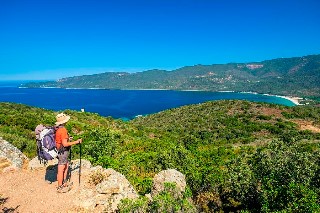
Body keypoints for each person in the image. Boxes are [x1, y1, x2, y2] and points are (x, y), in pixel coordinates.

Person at [55, 113, 82, 193]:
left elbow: (61, 140)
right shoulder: (63, 130)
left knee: (66, 165)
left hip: (61, 151)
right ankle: (60, 186)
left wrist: (68, 138)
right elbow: (65, 144)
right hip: (63, 152)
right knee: (61, 168)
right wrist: (76, 142)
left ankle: (64, 182)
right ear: (64, 122)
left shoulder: (59, 129)